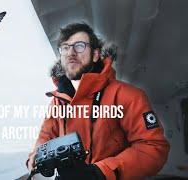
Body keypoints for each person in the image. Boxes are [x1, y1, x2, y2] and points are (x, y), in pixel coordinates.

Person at [26, 23, 170, 180]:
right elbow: (45, 136)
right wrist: (36, 157)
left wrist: (101, 172)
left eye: (79, 46)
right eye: (65, 47)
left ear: (95, 54)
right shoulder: (57, 102)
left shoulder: (128, 95)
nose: (71, 53)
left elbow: (153, 148)